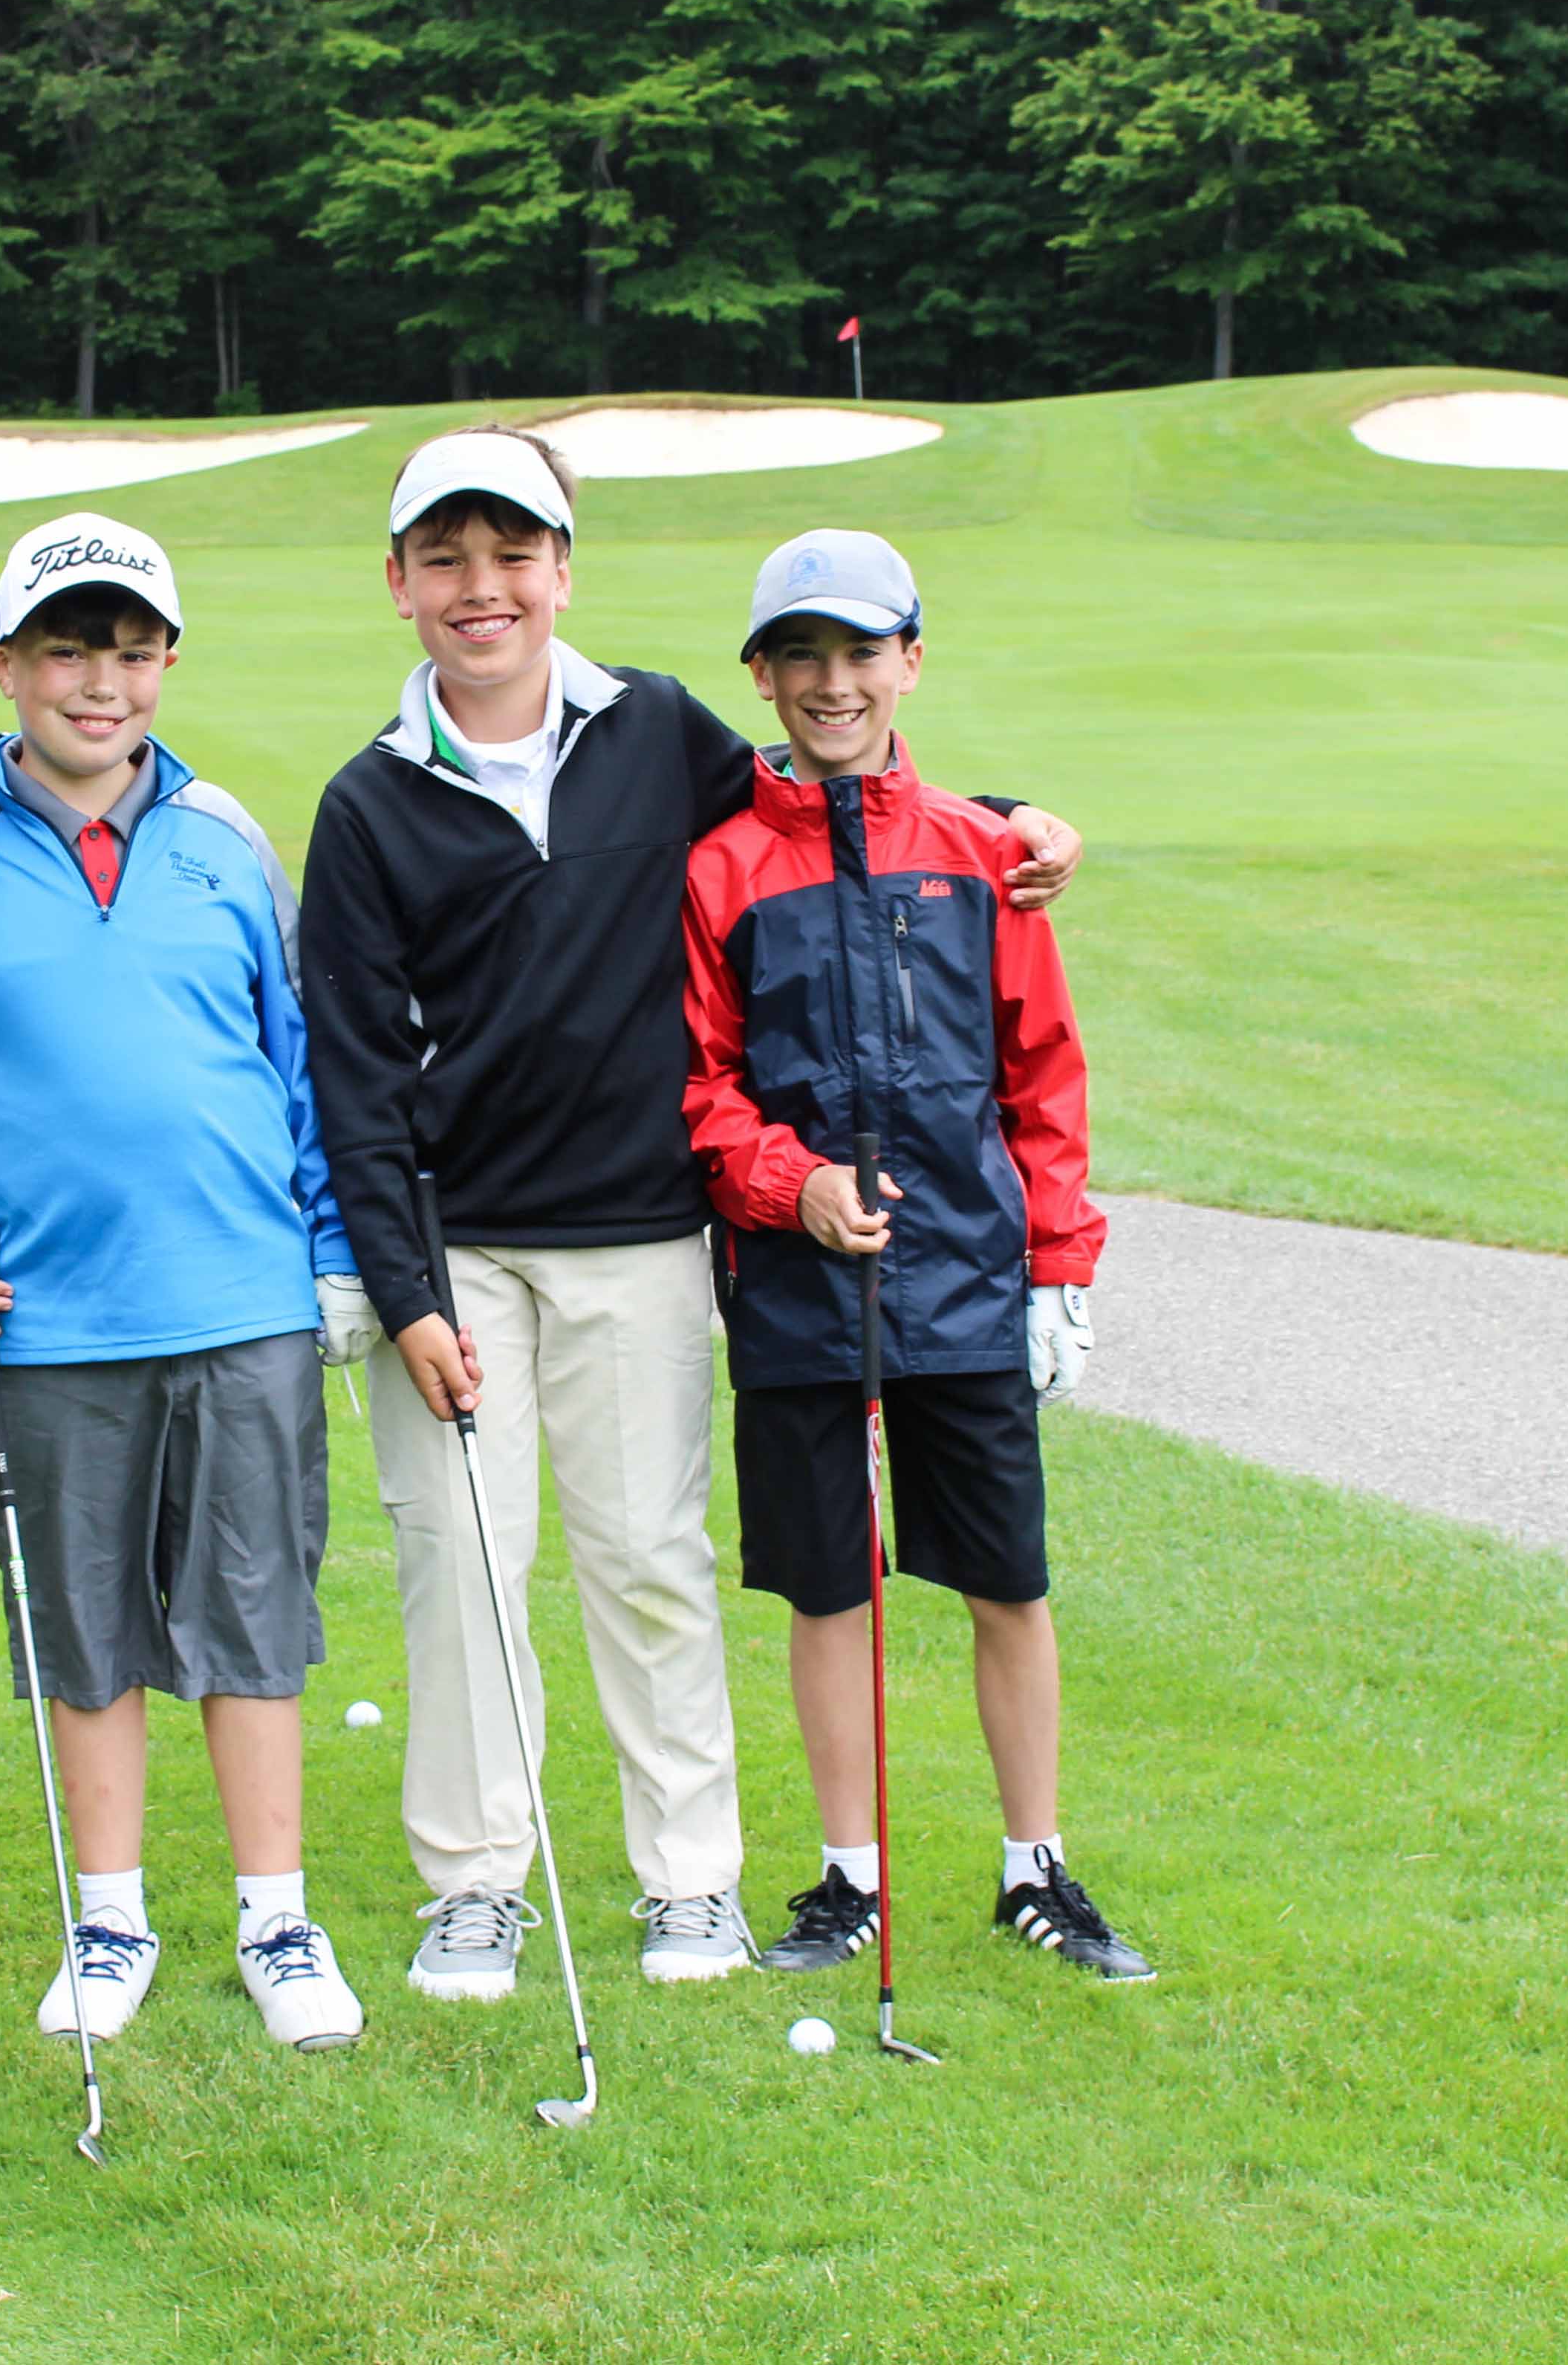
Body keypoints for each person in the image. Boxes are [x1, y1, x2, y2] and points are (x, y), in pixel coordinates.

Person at [295, 426, 1091, 2001]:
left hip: (640, 1234)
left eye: (512, 555)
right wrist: (404, 1293)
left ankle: (690, 1882)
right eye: (445, 559)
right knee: (460, 1565)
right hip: (456, 1251)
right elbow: (355, 1080)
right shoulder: (369, 803)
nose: (480, 588)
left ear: (560, 570)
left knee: (648, 1560)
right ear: (397, 583)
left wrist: (1009, 822)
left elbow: (831, 795)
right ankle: (476, 1885)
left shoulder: (653, 727)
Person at [0, 512, 374, 2051]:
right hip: (50, 1311)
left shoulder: (222, 840)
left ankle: (277, 1918)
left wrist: (334, 1253)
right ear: (3, 665)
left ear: (168, 664)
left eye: (132, 652)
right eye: (66, 651)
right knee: (83, 1623)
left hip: (244, 1299)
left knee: (252, 1614)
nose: (99, 683)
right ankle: (111, 1916)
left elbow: (301, 1064)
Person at [680, 528, 1151, 1985]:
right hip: (795, 1281)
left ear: (911, 663)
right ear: (760, 676)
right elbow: (703, 1087)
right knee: (831, 1587)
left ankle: (1035, 1867)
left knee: (1007, 1578)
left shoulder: (987, 856)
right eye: (801, 656)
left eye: (861, 652)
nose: (833, 683)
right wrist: (794, 1186)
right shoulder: (719, 868)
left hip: (967, 1269)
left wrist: (1059, 1269)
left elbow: (1041, 1073)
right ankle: (849, 1879)